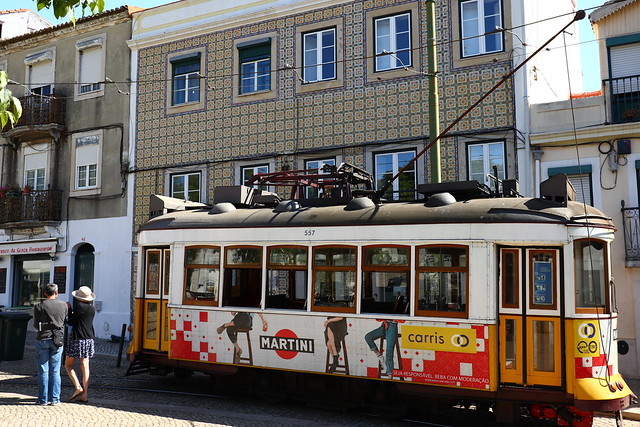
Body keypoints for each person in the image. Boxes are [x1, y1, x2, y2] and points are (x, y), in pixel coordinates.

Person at [33, 283, 68, 406]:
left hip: (42, 338)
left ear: (45, 293)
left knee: (43, 371)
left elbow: (36, 325)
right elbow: (65, 321)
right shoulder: (63, 305)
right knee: (55, 371)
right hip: (57, 340)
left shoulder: (39, 306)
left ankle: (42, 399)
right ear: (56, 293)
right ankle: (55, 399)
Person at [64, 286, 96, 403]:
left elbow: (71, 322)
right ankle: (85, 395)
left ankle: (78, 387)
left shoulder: (78, 307)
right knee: (85, 366)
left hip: (77, 338)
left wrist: (69, 309)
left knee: (68, 365)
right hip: (89, 338)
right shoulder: (92, 309)